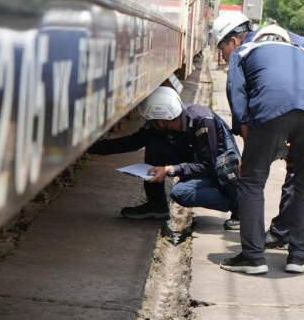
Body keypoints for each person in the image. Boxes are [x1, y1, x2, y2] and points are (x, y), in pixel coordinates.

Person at [211, 15, 304, 250]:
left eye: (222, 49)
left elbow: (240, 100)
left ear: (235, 41)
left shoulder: (252, 48)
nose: (223, 57)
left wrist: (252, 152)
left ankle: (284, 233)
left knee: (302, 169)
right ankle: (296, 247)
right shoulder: (273, 40)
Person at [88, 86, 241, 229]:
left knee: (180, 192)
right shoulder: (163, 125)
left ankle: (238, 203)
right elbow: (133, 142)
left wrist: (170, 169)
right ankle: (157, 206)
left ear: (162, 121)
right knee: (155, 143)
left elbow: (207, 165)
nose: (149, 123)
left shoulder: (201, 120)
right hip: (197, 161)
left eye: (151, 120)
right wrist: (90, 147)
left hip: (218, 169)